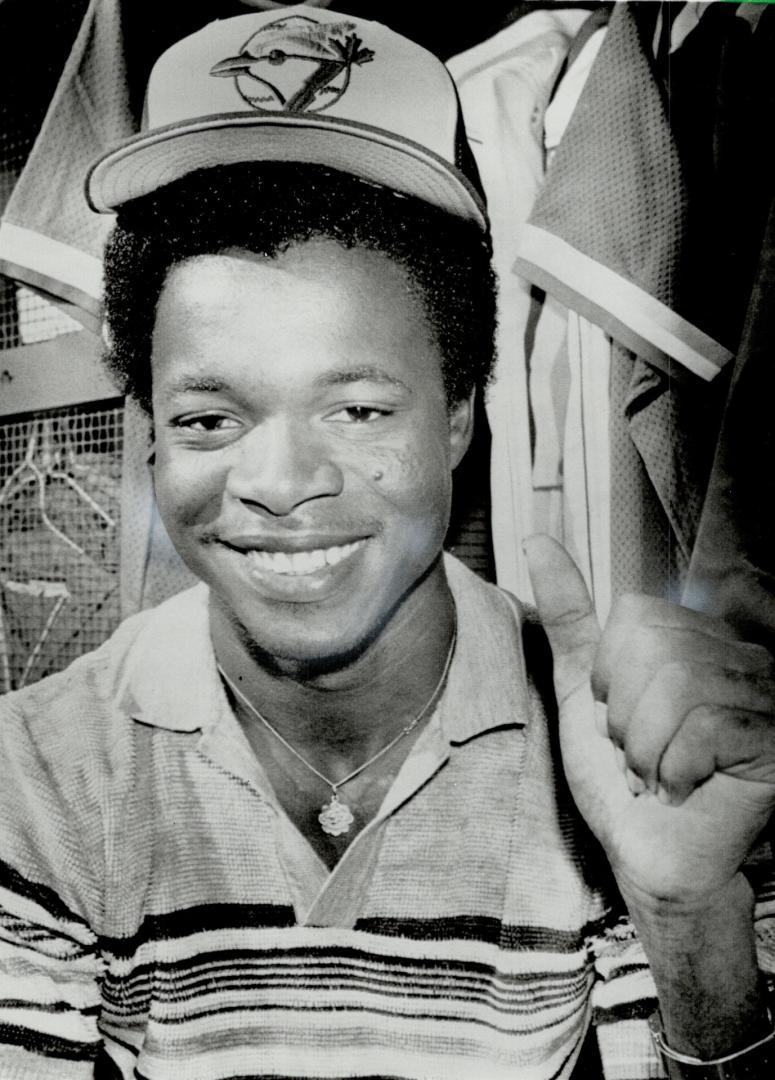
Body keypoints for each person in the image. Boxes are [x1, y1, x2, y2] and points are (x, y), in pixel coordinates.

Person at [1, 7, 774, 1079]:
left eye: (358, 410)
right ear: (148, 441)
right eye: (208, 420)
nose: (275, 485)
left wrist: (687, 921)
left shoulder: (614, 752)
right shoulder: (36, 773)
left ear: (457, 416)